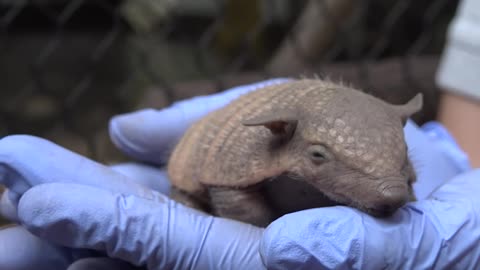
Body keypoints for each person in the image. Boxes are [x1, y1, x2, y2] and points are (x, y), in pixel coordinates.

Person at [0, 0, 479, 269]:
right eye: (316, 154)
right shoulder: (258, 144)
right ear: (279, 134)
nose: (394, 189)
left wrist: (442, 185)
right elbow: (226, 188)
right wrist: (460, 155)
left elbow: (394, 178)